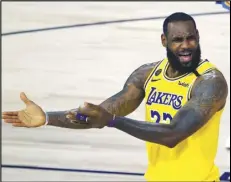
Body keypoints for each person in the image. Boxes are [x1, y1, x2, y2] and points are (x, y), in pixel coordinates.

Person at [2, 12, 228, 181]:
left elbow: (174, 134)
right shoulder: (147, 74)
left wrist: (112, 121)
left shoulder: (209, 82)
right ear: (164, 41)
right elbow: (99, 114)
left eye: (191, 38)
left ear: (198, 36)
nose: (186, 46)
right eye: (178, 40)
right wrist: (48, 118)